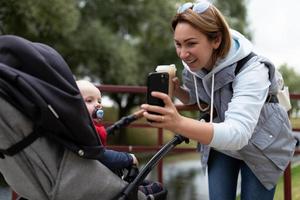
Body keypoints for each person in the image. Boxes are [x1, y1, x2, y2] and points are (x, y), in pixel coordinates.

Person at [141, 1, 296, 200]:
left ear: (216, 40)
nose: (182, 54)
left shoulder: (254, 70)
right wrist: (178, 90)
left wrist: (178, 123)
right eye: (178, 44)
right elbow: (202, 97)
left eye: (191, 43)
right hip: (222, 140)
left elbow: (238, 133)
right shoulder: (194, 63)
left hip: (261, 143)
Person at [76, 79, 138, 170]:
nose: (98, 105)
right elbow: (100, 155)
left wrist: (133, 117)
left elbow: (103, 133)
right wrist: (129, 158)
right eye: (89, 100)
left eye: (99, 101)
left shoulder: (91, 127)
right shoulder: (80, 130)